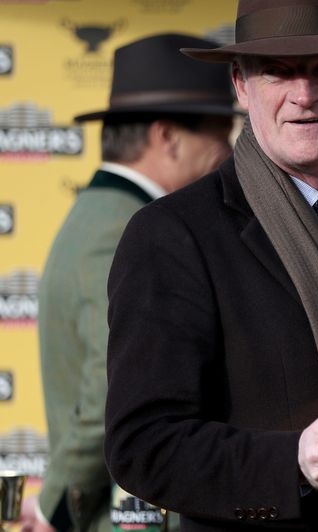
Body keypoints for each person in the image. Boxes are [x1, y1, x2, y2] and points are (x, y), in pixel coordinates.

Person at [102, 1, 318, 530]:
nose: (303, 96)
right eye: (278, 72)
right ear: (241, 85)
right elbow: (144, 445)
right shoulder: (174, 235)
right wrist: (294, 464)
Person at [17, 33, 237, 532]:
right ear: (167, 137)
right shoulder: (126, 229)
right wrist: (57, 505)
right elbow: (110, 383)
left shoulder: (97, 215)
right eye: (220, 133)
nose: (228, 152)